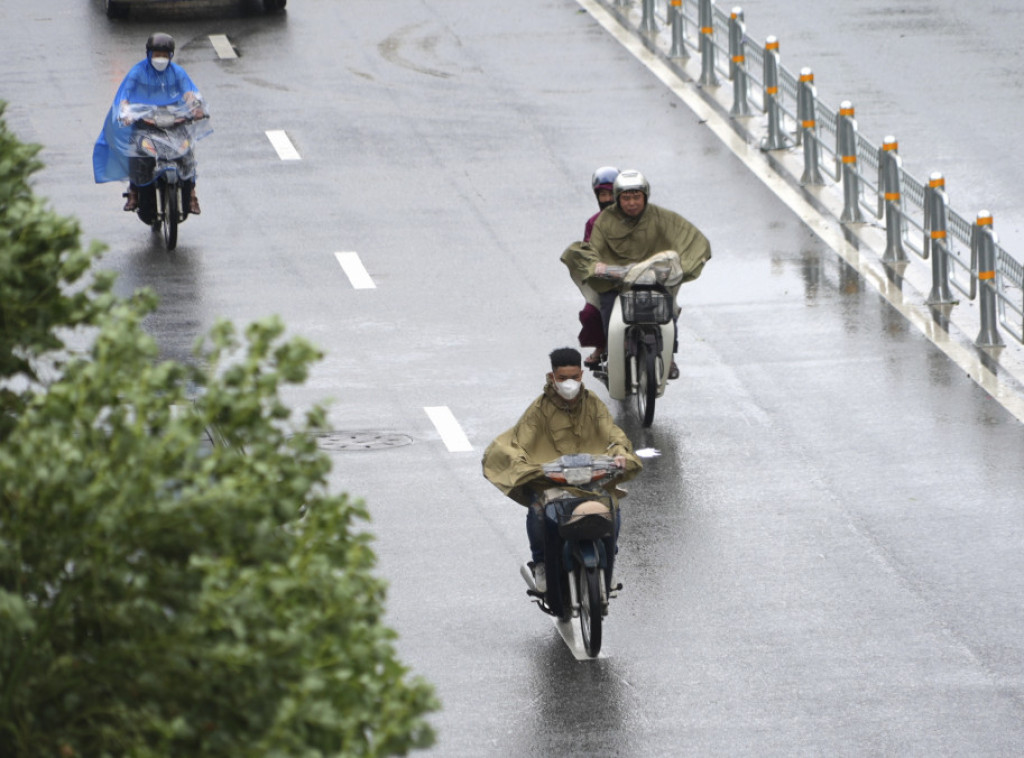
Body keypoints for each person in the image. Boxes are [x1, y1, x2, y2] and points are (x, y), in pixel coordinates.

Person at [481, 347, 642, 592]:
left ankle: (610, 559)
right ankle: (541, 564)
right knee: (537, 511)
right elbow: (519, 443)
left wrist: (620, 454)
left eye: (575, 377)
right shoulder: (539, 409)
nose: (570, 383)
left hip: (591, 478)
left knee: (612, 507)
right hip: (552, 481)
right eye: (563, 378)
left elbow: (612, 434)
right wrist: (524, 465)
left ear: (581, 375)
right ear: (552, 377)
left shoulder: (594, 404)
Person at [560, 169, 712, 379]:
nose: (632, 203)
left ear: (645, 196)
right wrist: (598, 267)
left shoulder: (663, 218)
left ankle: (669, 356)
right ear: (618, 198)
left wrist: (683, 265)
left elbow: (690, 240)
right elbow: (592, 250)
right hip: (615, 282)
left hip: (653, 278)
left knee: (667, 311)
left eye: (636, 197)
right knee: (607, 309)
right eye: (626, 198)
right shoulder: (603, 222)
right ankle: (612, 352)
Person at [93, 32, 207, 215]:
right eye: (157, 54)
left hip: (174, 122)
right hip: (146, 123)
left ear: (171, 56)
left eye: (164, 55)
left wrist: (195, 108)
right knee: (137, 152)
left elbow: (189, 93)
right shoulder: (137, 72)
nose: (160, 59)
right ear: (149, 54)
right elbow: (125, 95)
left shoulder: (177, 72)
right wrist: (126, 112)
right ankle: (134, 190)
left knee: (187, 153)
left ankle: (192, 192)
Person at [579, 167, 619, 368]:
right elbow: (588, 253)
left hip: (638, 278)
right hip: (607, 280)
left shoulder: (640, 218)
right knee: (591, 313)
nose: (608, 199)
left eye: (612, 193)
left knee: (666, 306)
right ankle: (602, 346)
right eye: (603, 194)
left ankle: (668, 354)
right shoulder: (593, 223)